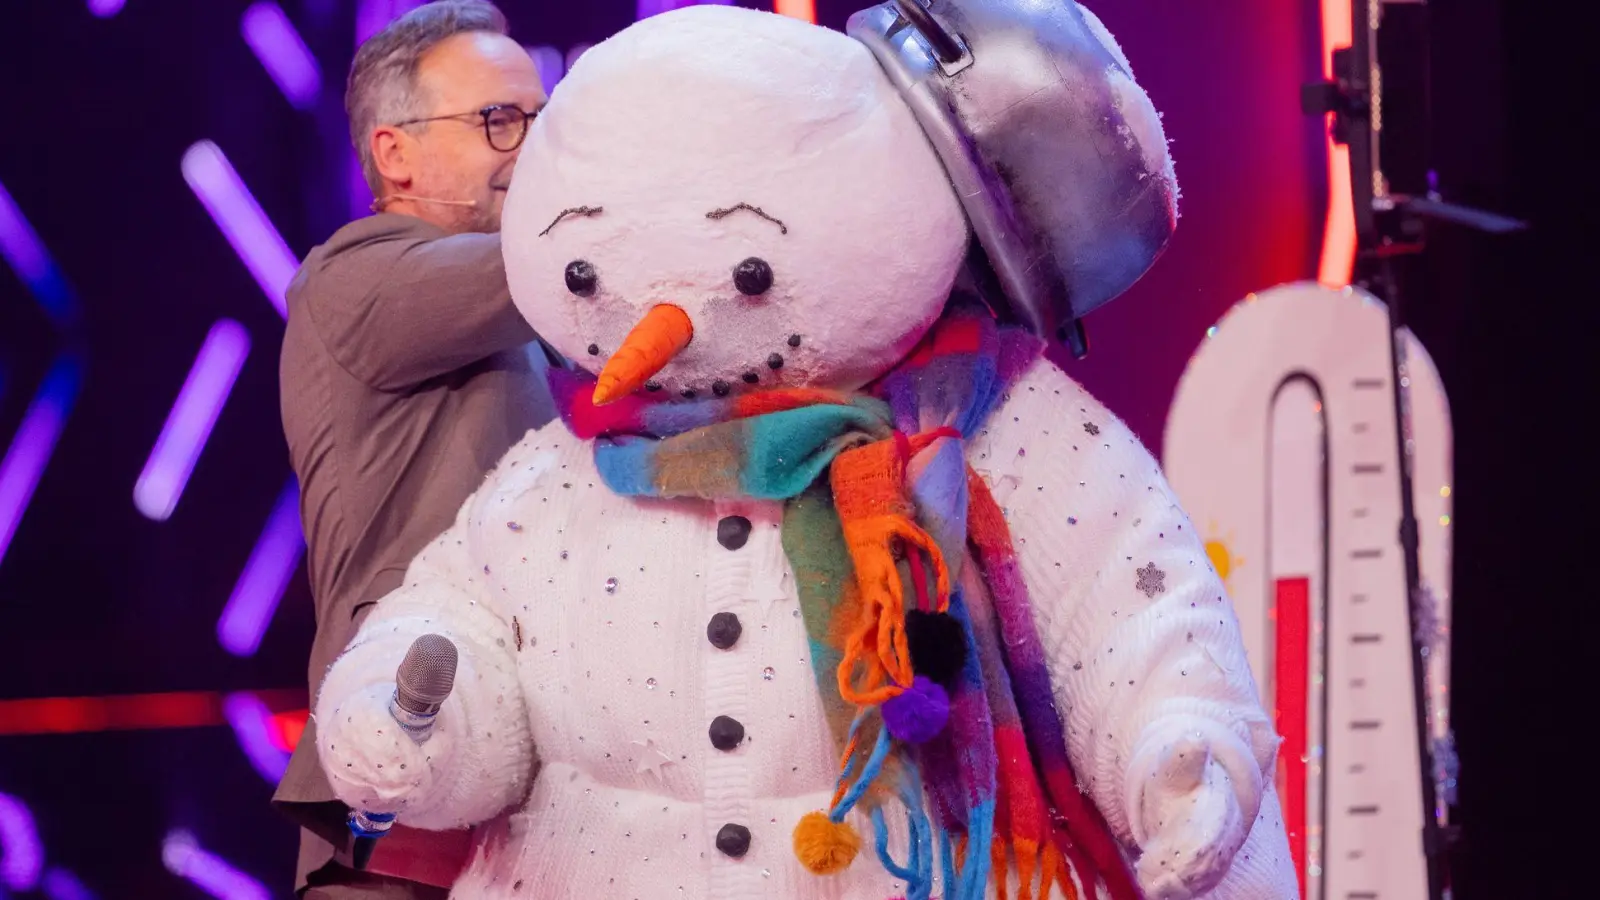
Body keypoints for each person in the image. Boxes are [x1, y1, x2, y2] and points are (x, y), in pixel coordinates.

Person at [273, 2, 556, 897]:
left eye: (542, 120)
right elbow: (551, 258)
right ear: (394, 154)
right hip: (402, 833)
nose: (533, 146)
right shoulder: (355, 277)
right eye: (498, 120)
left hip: (528, 820)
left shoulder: (537, 308)